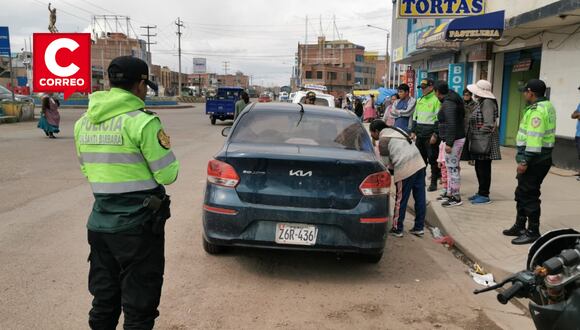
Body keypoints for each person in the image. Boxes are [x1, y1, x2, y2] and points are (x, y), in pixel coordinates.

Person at [74, 56, 180, 329]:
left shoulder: (83, 122)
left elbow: (88, 171)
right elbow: (168, 174)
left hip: (100, 225)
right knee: (139, 306)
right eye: (145, 85)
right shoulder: (143, 122)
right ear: (140, 84)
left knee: (104, 300)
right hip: (138, 229)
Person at [503, 79, 556, 245]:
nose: (524, 94)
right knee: (521, 192)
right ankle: (520, 225)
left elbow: (534, 140)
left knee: (529, 194)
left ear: (531, 93)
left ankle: (533, 231)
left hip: (535, 160)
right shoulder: (547, 106)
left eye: (525, 91)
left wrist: (524, 161)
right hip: (539, 159)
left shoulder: (537, 112)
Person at [370, 120, 427, 238]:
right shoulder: (397, 130)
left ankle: (397, 228)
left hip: (405, 167)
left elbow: (384, 164)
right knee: (420, 197)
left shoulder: (383, 140)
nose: (372, 136)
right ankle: (419, 228)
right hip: (419, 163)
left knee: (400, 199)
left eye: (372, 133)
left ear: (376, 131)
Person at [466, 80, 502, 205]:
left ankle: (484, 194)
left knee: (484, 168)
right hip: (480, 140)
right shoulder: (481, 102)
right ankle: (481, 192)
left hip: (484, 141)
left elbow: (488, 123)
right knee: (479, 167)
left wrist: (479, 134)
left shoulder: (487, 102)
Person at [433, 80, 466, 207]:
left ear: (437, 91)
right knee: (449, 167)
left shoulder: (448, 103)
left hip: (454, 140)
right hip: (453, 139)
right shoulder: (451, 99)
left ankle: (455, 197)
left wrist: (449, 143)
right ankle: (449, 193)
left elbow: (451, 124)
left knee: (452, 169)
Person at [411, 78, 441, 192]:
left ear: (431, 87)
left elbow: (438, 119)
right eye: (421, 88)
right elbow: (415, 117)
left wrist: (435, 134)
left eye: (424, 88)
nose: (422, 90)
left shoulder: (436, 100)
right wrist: (413, 131)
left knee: (433, 159)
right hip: (420, 134)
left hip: (430, 135)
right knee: (420, 159)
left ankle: (433, 183)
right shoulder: (420, 100)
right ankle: (420, 181)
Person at [572, 85, 580, 181]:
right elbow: (573, 115)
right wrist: (577, 114)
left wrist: (578, 114)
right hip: (578, 134)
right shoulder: (579, 104)